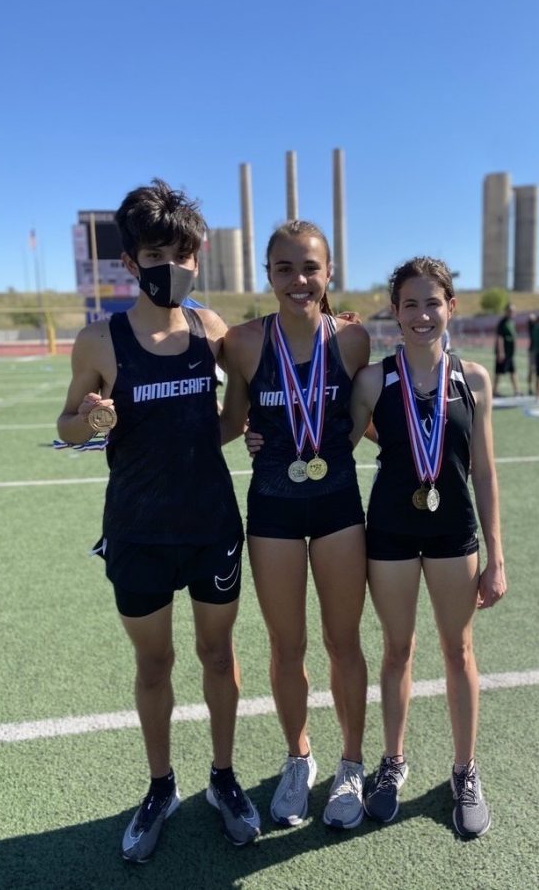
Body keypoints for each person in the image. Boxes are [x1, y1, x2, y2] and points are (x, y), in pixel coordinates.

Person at [57, 179, 260, 861]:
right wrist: (88, 420)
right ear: (129, 262)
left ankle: (223, 778)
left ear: (196, 257)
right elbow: (68, 427)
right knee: (154, 663)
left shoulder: (212, 332)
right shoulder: (99, 340)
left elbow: (234, 414)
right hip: (138, 531)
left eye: (180, 252)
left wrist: (232, 434)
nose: (167, 265)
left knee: (215, 655)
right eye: (153, 253)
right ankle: (160, 784)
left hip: (209, 526)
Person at [349, 256, 507, 836]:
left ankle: (465, 769)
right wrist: (268, 435)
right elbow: (331, 441)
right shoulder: (373, 379)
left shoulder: (474, 379)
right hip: (388, 531)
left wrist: (497, 556)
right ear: (395, 312)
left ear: (450, 307)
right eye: (409, 304)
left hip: (452, 532)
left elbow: (485, 472)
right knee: (397, 650)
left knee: (458, 650)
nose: (421, 314)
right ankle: (392, 763)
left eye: (431, 302)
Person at [222, 220, 370, 830]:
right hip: (274, 509)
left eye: (310, 268)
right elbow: (230, 420)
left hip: (337, 503)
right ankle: (297, 757)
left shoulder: (353, 341)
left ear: (328, 273)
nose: (299, 280)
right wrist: (147, 439)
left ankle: (353, 764)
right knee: (288, 645)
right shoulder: (244, 342)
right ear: (269, 276)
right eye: (285, 269)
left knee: (343, 642)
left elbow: (368, 413)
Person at [492, 303, 519, 396]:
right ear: (506, 311)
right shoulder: (502, 323)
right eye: (510, 311)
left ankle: (516, 390)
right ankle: (494, 391)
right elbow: (499, 338)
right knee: (498, 372)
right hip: (503, 352)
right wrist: (501, 352)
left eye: (513, 311)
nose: (512, 313)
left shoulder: (512, 322)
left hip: (510, 352)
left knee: (513, 371)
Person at [526, 312, 539, 395]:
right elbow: (530, 318)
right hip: (533, 350)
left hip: (538, 350)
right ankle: (531, 387)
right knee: (532, 370)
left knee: (537, 370)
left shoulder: (537, 326)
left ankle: (536, 387)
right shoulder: (532, 326)